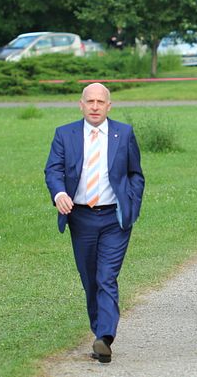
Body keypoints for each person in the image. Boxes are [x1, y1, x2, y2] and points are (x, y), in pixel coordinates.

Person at [44, 83, 145, 364]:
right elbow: (53, 169)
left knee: (106, 277)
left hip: (115, 218)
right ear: (81, 105)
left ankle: (105, 337)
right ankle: (99, 329)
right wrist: (59, 193)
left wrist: (132, 206)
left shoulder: (123, 133)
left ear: (109, 106)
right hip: (81, 217)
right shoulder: (65, 134)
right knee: (90, 279)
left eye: (101, 102)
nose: (95, 106)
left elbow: (136, 174)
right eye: (90, 101)